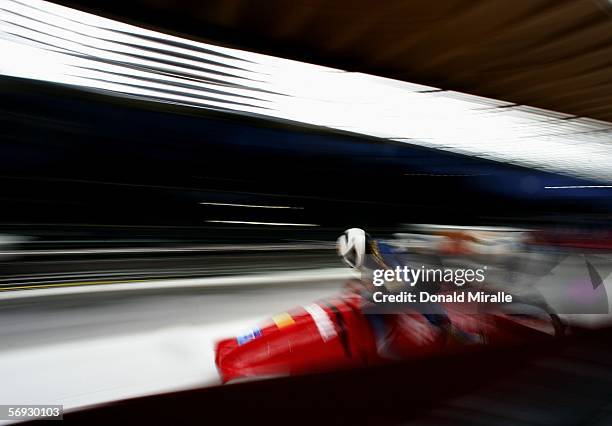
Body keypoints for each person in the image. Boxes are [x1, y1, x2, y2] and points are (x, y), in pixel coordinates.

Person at [336, 228, 484, 358]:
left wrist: (377, 287)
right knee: (370, 302)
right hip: (406, 278)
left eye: (352, 254)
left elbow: (401, 281)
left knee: (413, 296)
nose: (352, 259)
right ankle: (382, 342)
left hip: (420, 278)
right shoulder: (370, 254)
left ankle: (458, 334)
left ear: (359, 245)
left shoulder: (381, 252)